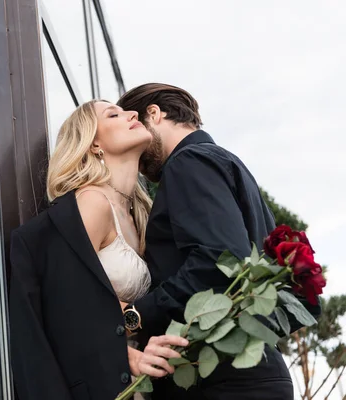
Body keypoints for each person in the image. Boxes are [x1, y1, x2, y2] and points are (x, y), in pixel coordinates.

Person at [116, 83, 322, 400]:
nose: (139, 159)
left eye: (135, 127)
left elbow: (216, 261)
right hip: (246, 373)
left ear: (154, 114)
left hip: (223, 382)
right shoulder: (225, 164)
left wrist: (136, 315)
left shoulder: (189, 163)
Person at [9, 100, 188, 400]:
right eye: (113, 114)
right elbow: (65, 301)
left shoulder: (139, 214)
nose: (133, 113)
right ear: (94, 143)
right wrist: (127, 356)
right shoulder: (92, 203)